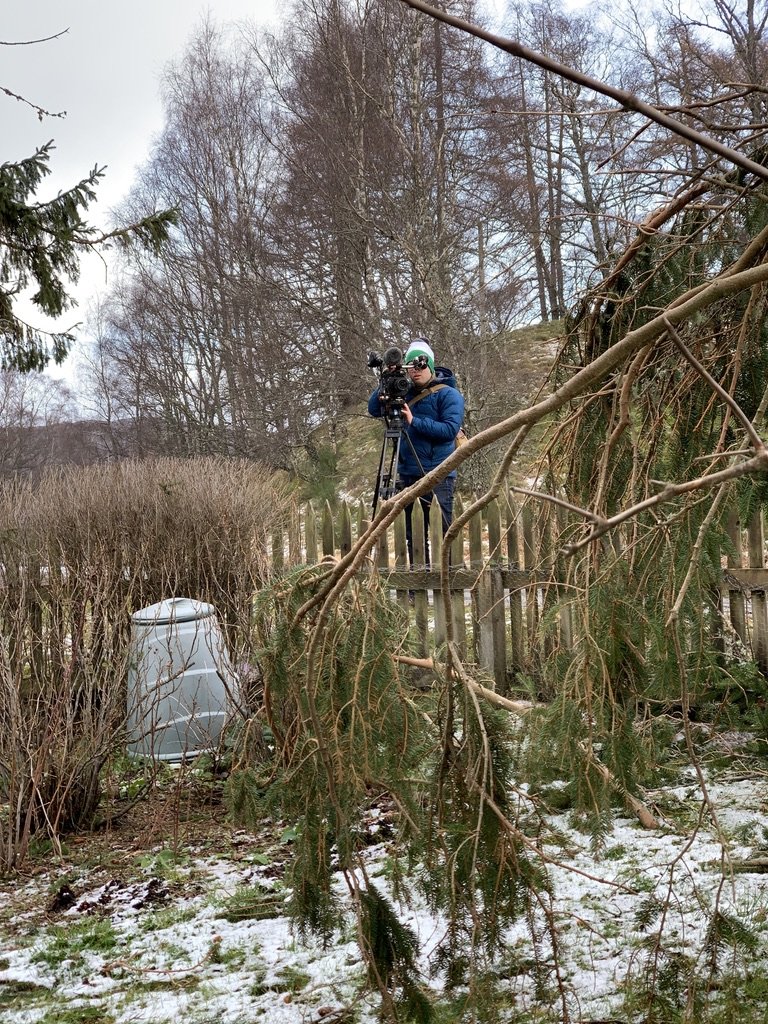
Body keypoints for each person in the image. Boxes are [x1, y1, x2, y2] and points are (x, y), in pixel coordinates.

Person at [368, 338, 464, 566]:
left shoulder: (448, 394)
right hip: (409, 473)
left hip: (439, 473)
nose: (415, 372)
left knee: (443, 531)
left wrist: (414, 421)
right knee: (414, 534)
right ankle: (418, 584)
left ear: (429, 365)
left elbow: (449, 430)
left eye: (420, 366)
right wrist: (387, 378)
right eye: (410, 367)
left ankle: (448, 580)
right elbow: (374, 409)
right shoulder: (404, 391)